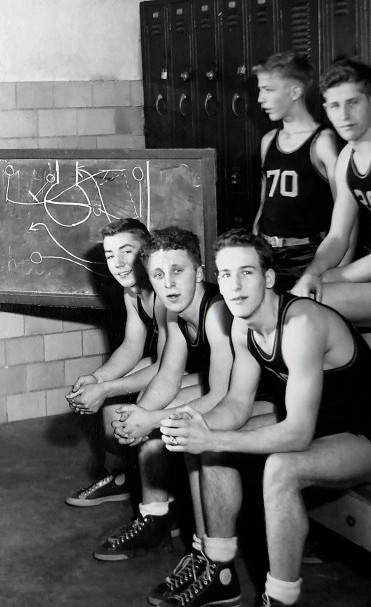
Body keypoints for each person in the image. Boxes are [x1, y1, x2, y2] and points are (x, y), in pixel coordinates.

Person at [161, 229, 371, 607]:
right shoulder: (242, 324)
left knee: (280, 469)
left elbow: (297, 435)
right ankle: (220, 571)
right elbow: (237, 404)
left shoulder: (301, 325)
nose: (235, 286)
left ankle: (279, 599)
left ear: (269, 277)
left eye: (247, 272)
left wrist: (212, 437)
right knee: (210, 441)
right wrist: (193, 424)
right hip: (323, 426)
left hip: (361, 434)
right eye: (226, 274)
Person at [92, 228, 238, 607]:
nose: (168, 283)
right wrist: (142, 414)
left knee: (192, 434)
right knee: (167, 421)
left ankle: (219, 567)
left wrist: (152, 420)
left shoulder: (216, 312)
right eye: (159, 275)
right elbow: (169, 376)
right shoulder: (174, 313)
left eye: (178, 271)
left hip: (263, 397)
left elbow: (223, 397)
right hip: (229, 392)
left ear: (199, 271)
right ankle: (198, 551)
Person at [65, 218, 165, 507]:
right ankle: (120, 478)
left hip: (200, 368)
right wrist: (98, 379)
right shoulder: (132, 291)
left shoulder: (163, 288)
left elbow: (168, 367)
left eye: (126, 252)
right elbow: (132, 346)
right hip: (171, 362)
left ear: (146, 251)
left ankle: (162, 503)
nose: (118, 263)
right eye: (110, 255)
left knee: (145, 400)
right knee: (112, 395)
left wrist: (106, 387)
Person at [252, 52, 341, 293]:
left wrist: (337, 272)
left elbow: (345, 217)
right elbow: (264, 204)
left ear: (295, 91)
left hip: (308, 256)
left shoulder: (323, 142)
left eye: (268, 89)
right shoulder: (268, 140)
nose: (260, 98)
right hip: (268, 253)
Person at [292, 58, 371, 299]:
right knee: (301, 298)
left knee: (314, 299)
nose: (344, 115)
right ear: (326, 109)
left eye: (353, 103)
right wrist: (312, 272)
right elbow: (338, 237)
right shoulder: (347, 159)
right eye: (335, 106)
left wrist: (332, 277)